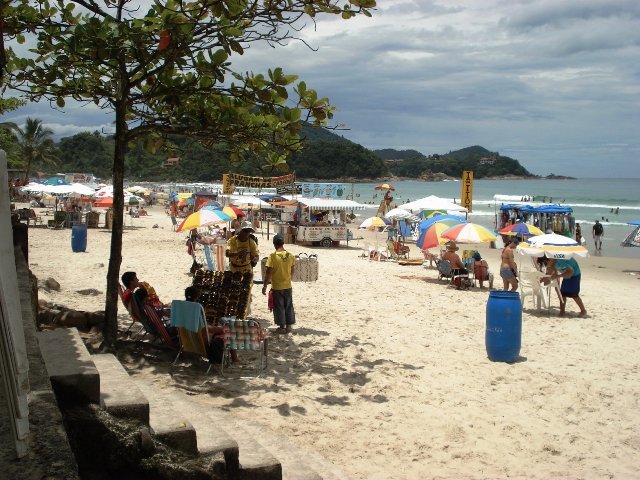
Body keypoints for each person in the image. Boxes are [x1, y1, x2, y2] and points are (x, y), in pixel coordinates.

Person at [262, 234, 296, 333]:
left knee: (279, 306)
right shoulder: (291, 256)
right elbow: (292, 271)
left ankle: (282, 327)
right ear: (283, 243)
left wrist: (264, 286)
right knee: (289, 305)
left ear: (274, 244)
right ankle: (289, 326)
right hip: (288, 286)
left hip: (277, 286)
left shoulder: (272, 256)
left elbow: (268, 273)